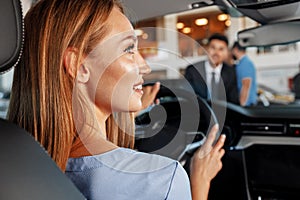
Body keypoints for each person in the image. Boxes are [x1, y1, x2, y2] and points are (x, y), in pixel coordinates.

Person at [8, 0, 225, 199]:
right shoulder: (162, 180)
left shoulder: (13, 169)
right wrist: (200, 184)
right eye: (129, 49)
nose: (145, 66)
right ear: (78, 66)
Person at [184, 33, 239, 104]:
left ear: (226, 52)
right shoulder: (192, 71)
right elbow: (187, 100)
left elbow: (234, 102)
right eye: (213, 48)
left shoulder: (231, 72)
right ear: (207, 49)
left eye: (221, 49)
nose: (216, 53)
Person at [231, 41, 257, 106]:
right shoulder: (241, 63)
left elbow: (246, 85)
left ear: (235, 49)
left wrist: (242, 105)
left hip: (247, 105)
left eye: (232, 50)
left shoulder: (246, 63)